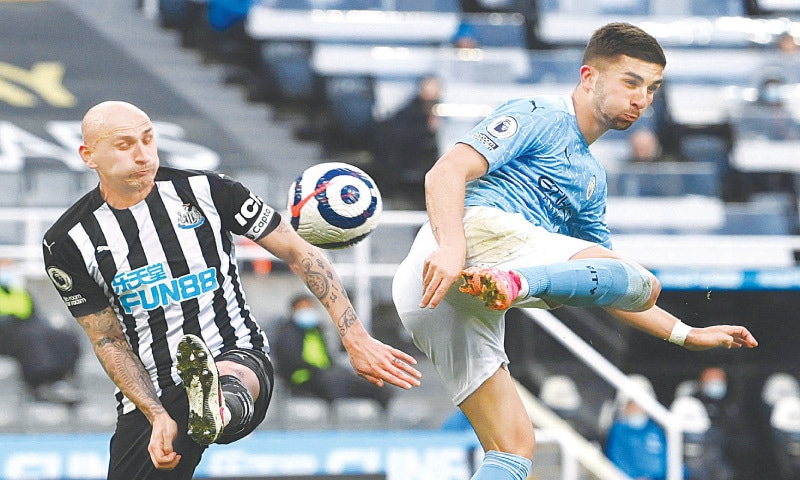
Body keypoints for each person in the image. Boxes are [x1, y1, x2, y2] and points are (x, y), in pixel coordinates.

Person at [391, 22, 759, 480]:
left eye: (652, 89)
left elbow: (607, 287)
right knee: (644, 281)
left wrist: (686, 333)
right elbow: (445, 172)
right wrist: (451, 246)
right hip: (465, 243)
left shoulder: (590, 180)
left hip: (436, 294)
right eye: (631, 82)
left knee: (514, 448)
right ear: (588, 77)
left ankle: (511, 284)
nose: (642, 99)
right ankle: (514, 285)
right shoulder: (539, 113)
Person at [42, 101, 421, 479]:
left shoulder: (206, 190)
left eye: (148, 139)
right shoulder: (67, 241)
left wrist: (353, 334)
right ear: (89, 155)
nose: (143, 155)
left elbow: (297, 249)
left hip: (234, 352)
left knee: (228, 376)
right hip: (152, 390)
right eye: (125, 145)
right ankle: (204, 406)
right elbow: (109, 340)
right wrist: (156, 414)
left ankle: (217, 408)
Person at [272, 294, 393, 409]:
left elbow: (327, 357)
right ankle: (340, 421)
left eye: (310, 307)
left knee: (370, 383)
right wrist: (319, 370)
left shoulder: (317, 330)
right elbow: (291, 361)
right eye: (303, 308)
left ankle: (385, 418)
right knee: (335, 384)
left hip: (325, 373)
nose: (307, 311)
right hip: (302, 377)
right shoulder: (287, 334)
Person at [0, 261, 82, 405]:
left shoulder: (15, 288)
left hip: (22, 325)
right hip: (5, 332)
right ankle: (42, 383)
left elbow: (31, 312)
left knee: (61, 335)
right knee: (31, 338)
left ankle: (62, 379)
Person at [371, 75, 442, 209]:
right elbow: (399, 141)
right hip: (407, 178)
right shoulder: (408, 114)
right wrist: (427, 130)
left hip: (429, 179)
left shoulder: (441, 111)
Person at [605, 399, 668, 480]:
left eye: (640, 406)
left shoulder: (656, 431)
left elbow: (670, 461)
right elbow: (616, 457)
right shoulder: (619, 430)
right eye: (634, 406)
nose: (637, 409)